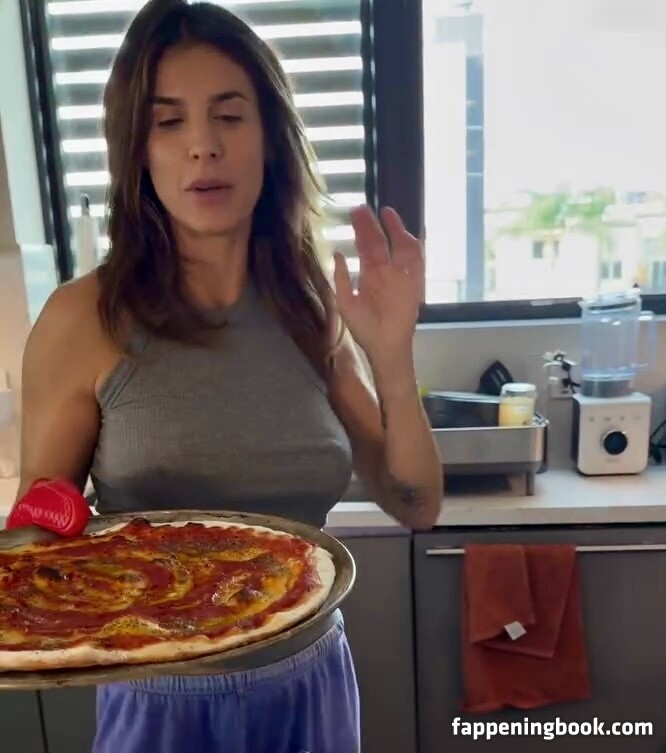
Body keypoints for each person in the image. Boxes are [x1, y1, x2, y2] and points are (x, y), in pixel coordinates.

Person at [15, 1, 443, 751]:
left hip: (311, 684)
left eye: (229, 116)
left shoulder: (309, 304)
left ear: (269, 138)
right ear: (137, 149)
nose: (203, 146)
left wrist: (393, 357)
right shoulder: (83, 317)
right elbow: (36, 542)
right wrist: (53, 515)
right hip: (157, 701)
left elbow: (416, 503)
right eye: (168, 121)